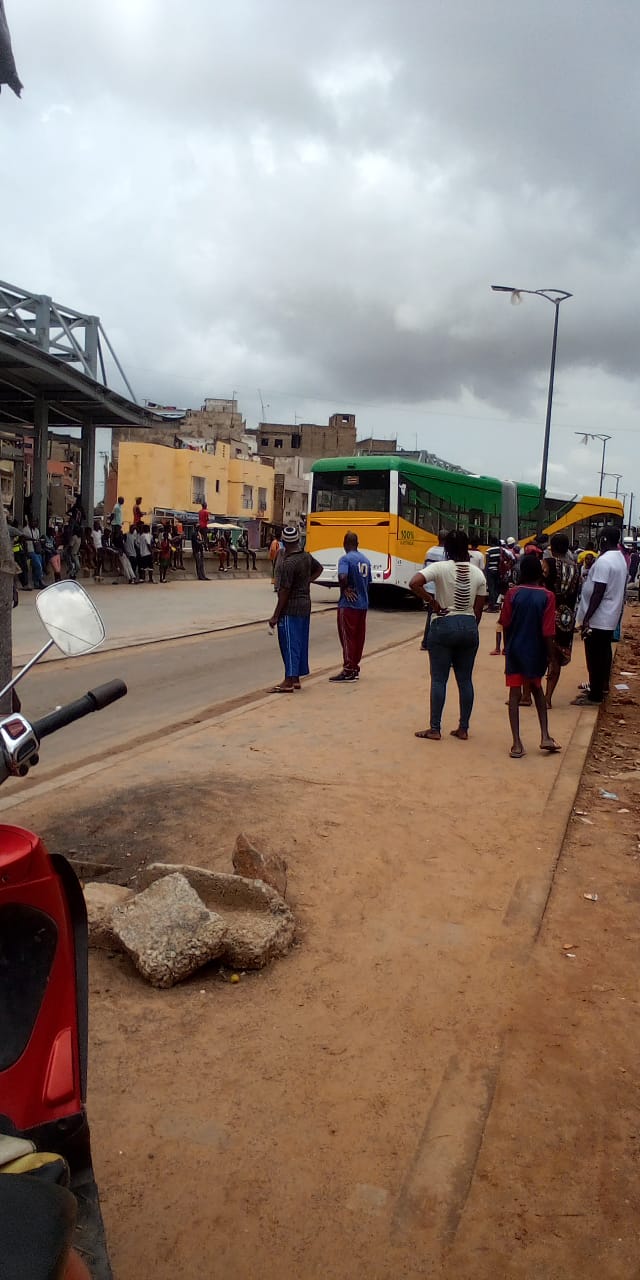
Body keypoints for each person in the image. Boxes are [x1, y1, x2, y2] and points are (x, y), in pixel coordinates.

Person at [409, 529, 487, 741]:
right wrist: (469, 626)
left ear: (446, 548)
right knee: (465, 680)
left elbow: (414, 582)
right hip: (469, 625)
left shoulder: (439, 567)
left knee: (439, 679)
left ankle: (435, 728)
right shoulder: (478, 573)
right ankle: (463, 728)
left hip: (443, 624)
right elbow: (479, 609)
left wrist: (433, 603)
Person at [499, 553, 560, 758]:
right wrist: (552, 658)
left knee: (514, 695)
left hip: (515, 649)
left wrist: (508, 648)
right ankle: (545, 735)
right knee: (537, 691)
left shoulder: (512, 593)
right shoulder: (547, 596)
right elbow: (548, 631)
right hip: (536, 651)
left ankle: (517, 743)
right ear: (540, 573)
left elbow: (505, 623)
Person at [572, 526, 628, 705]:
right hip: (609, 616)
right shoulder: (619, 558)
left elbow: (598, 592)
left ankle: (595, 695)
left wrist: (587, 617)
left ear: (604, 539)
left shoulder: (605, 562)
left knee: (594, 657)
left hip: (599, 617)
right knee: (604, 654)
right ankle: (601, 687)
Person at [269, 525, 323, 691]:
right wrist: (307, 581)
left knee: (289, 643)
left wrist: (275, 615)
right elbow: (319, 568)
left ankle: (288, 681)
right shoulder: (305, 557)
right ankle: (296, 678)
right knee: (299, 641)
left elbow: (284, 591)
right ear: (298, 540)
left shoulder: (289, 562)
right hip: (305, 605)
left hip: (290, 608)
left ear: (284, 541)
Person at [543, 531, 581, 708]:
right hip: (567, 616)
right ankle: (548, 697)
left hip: (548, 614)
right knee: (557, 656)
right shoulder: (575, 567)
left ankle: (530, 694)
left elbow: (541, 585)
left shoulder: (548, 563)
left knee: (540, 653)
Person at [329, 532, 372, 682]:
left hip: (348, 605)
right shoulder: (366, 560)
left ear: (344, 544)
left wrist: (345, 589)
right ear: (358, 544)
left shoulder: (345, 559)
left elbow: (342, 576)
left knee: (347, 637)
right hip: (363, 604)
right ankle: (354, 667)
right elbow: (369, 582)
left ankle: (348, 670)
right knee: (359, 637)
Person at [420, 530, 447, 649]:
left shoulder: (429, 551)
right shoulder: (446, 554)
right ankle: (432, 642)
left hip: (429, 588)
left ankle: (425, 642)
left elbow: (424, 568)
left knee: (431, 614)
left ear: (438, 538)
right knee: (442, 615)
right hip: (440, 588)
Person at [22, 517, 44, 588]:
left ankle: (36, 583)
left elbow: (37, 540)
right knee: (38, 565)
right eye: (33, 521)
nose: (34, 523)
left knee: (39, 566)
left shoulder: (37, 530)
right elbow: (24, 540)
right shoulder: (25, 529)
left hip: (37, 550)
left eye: (35, 522)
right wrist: (26, 553)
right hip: (30, 550)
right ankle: (39, 581)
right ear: (29, 522)